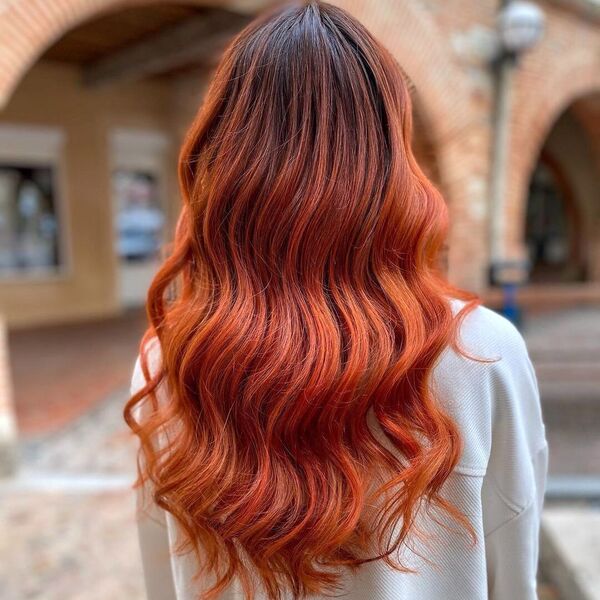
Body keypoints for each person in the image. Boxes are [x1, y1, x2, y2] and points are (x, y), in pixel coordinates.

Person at [125, 2, 547, 599]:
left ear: (221, 160)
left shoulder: (167, 360)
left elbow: (162, 581)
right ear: (390, 160)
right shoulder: (485, 354)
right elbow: (514, 570)